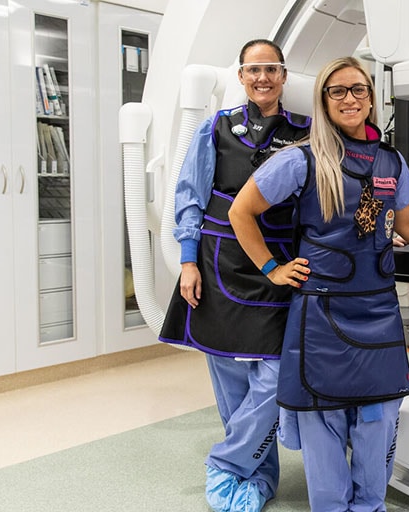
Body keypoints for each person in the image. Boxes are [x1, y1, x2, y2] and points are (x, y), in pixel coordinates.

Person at [228, 56, 409, 512]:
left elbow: (408, 224)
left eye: (358, 90)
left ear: (371, 97)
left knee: (380, 417)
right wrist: (273, 268)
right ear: (324, 100)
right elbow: (240, 211)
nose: (350, 98)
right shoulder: (301, 159)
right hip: (322, 311)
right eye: (338, 91)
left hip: (377, 308)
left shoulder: (391, 160)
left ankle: (369, 505)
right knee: (323, 420)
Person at [156, 39, 311, 512]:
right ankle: (257, 483)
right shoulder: (215, 129)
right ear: (240, 77)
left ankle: (225, 462)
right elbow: (189, 195)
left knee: (276, 377)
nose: (262, 77)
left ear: (284, 76)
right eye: (252, 70)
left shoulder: (307, 131)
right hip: (218, 262)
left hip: (278, 265)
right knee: (230, 384)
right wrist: (187, 261)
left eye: (271, 69)